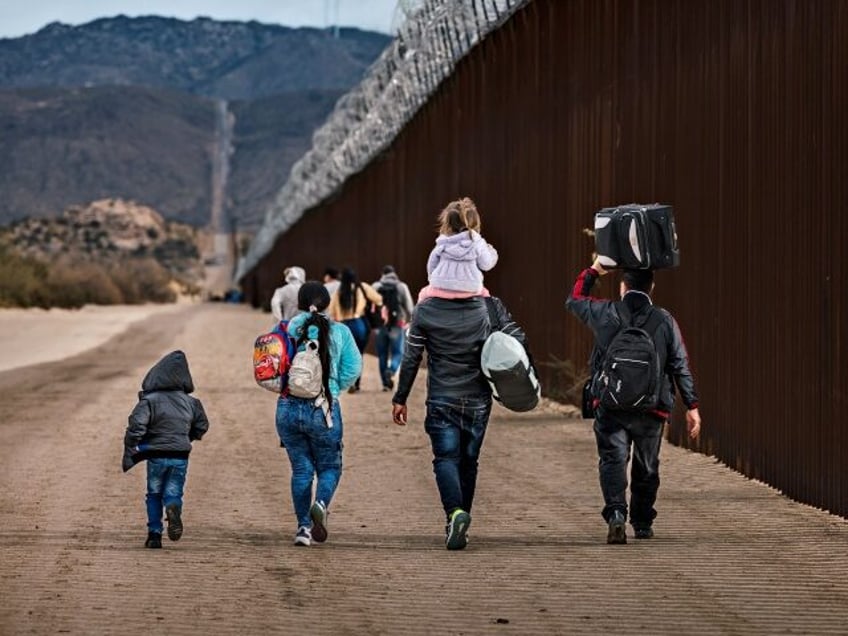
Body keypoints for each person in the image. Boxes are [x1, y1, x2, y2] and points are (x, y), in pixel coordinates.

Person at [565, 258, 702, 544]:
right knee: (647, 464)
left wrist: (593, 271)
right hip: (652, 407)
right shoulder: (664, 320)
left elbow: (575, 300)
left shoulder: (606, 312)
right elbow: (680, 364)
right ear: (651, 287)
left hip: (611, 404)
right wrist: (692, 406)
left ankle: (616, 514)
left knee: (613, 459)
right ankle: (641, 522)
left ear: (622, 286)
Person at [391, 291, 529, 550]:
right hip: (478, 399)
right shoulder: (490, 306)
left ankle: (454, 514)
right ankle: (461, 521)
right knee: (469, 462)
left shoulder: (426, 309)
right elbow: (517, 338)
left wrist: (401, 397)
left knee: (445, 458)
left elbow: (412, 357)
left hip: (442, 397)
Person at [276, 282, 362, 546]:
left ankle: (302, 529)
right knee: (329, 466)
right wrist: (334, 388)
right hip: (323, 408)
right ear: (327, 303)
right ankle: (321, 503)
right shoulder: (341, 332)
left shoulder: (288, 328)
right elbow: (353, 369)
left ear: (300, 303)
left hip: (288, 407)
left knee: (301, 470)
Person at [122, 350, 210, 549]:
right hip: (180, 454)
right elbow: (202, 425)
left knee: (153, 493)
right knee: (173, 492)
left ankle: (154, 535)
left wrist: (132, 444)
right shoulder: (192, 403)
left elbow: (137, 425)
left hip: (156, 454)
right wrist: (187, 437)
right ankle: (173, 508)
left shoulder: (149, 401)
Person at [419, 197, 498, 301]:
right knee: (487, 299)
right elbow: (486, 265)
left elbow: (431, 264)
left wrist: (433, 279)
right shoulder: (477, 242)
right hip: (470, 288)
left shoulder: (442, 242)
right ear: (475, 222)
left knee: (423, 295)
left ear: (447, 223)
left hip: (441, 288)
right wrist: (491, 252)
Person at [328, 267, 382, 393]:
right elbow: (378, 299)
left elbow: (331, 310)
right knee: (358, 355)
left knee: (344, 355)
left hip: (343, 326)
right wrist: (372, 306)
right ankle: (356, 383)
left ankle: (347, 381)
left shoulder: (339, 292)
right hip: (359, 325)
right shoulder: (362, 287)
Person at [372, 265, 415, 391]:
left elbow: (370, 306)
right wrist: (410, 321)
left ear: (382, 274)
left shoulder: (376, 286)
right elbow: (410, 307)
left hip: (380, 325)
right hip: (397, 324)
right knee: (398, 352)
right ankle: (391, 370)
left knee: (382, 354)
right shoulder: (401, 286)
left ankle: (385, 384)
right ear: (394, 273)